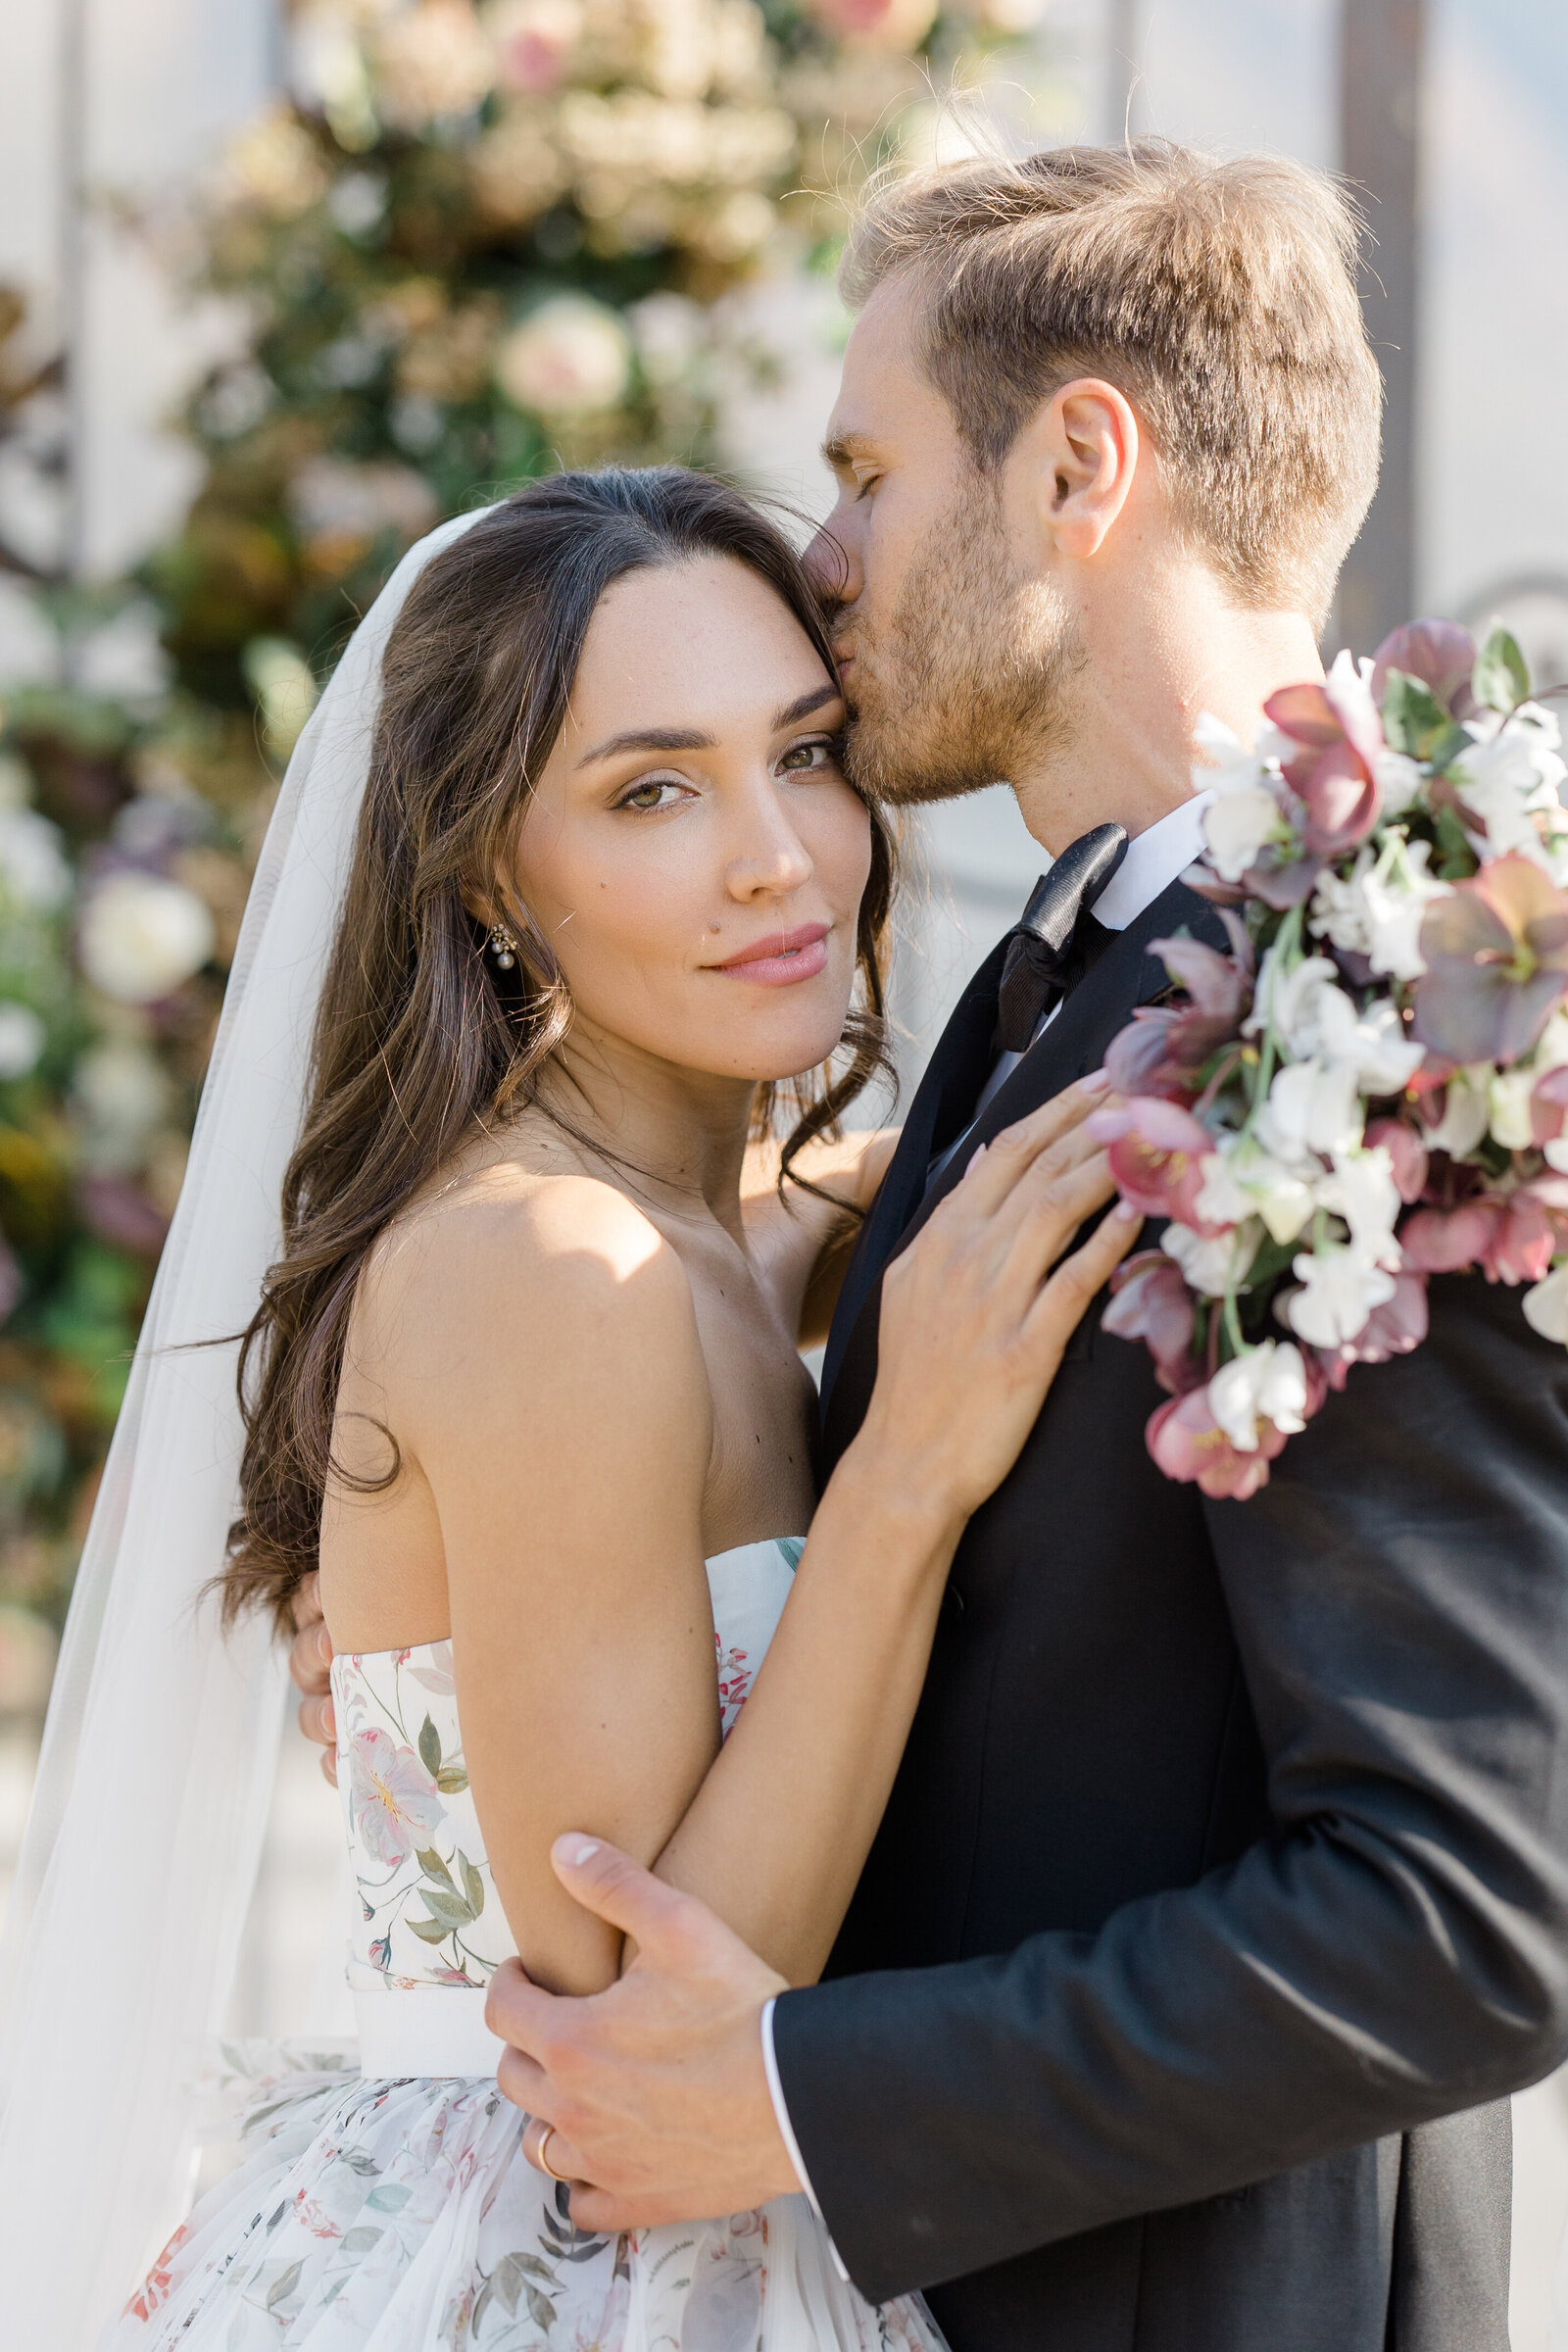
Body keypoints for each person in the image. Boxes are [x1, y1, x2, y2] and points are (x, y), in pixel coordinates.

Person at [398, 142, 1568, 2352]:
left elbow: (1467, 1915)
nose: (819, 560)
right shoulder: (1045, 992)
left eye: (862, 470)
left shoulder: (1377, 1004)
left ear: (1075, 466)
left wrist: (793, 2101)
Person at [73, 466, 1140, 2352]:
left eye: (805, 754)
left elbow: (855, 1202)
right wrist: (899, 1483)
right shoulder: (554, 1272)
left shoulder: (714, 1224)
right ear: (489, 865)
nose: (779, 859)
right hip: (573, 2254)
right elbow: (639, 2007)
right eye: (653, 791)